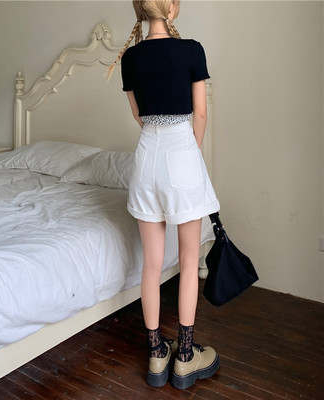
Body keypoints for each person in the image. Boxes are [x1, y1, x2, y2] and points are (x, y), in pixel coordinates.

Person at [108, 0, 221, 391]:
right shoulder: (192, 50)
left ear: (141, 10)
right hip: (181, 151)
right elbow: (200, 113)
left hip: (146, 157)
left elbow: (139, 116)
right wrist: (191, 153)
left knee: (151, 266)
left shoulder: (130, 57)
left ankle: (157, 354)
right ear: (172, 8)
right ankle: (185, 357)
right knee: (189, 261)